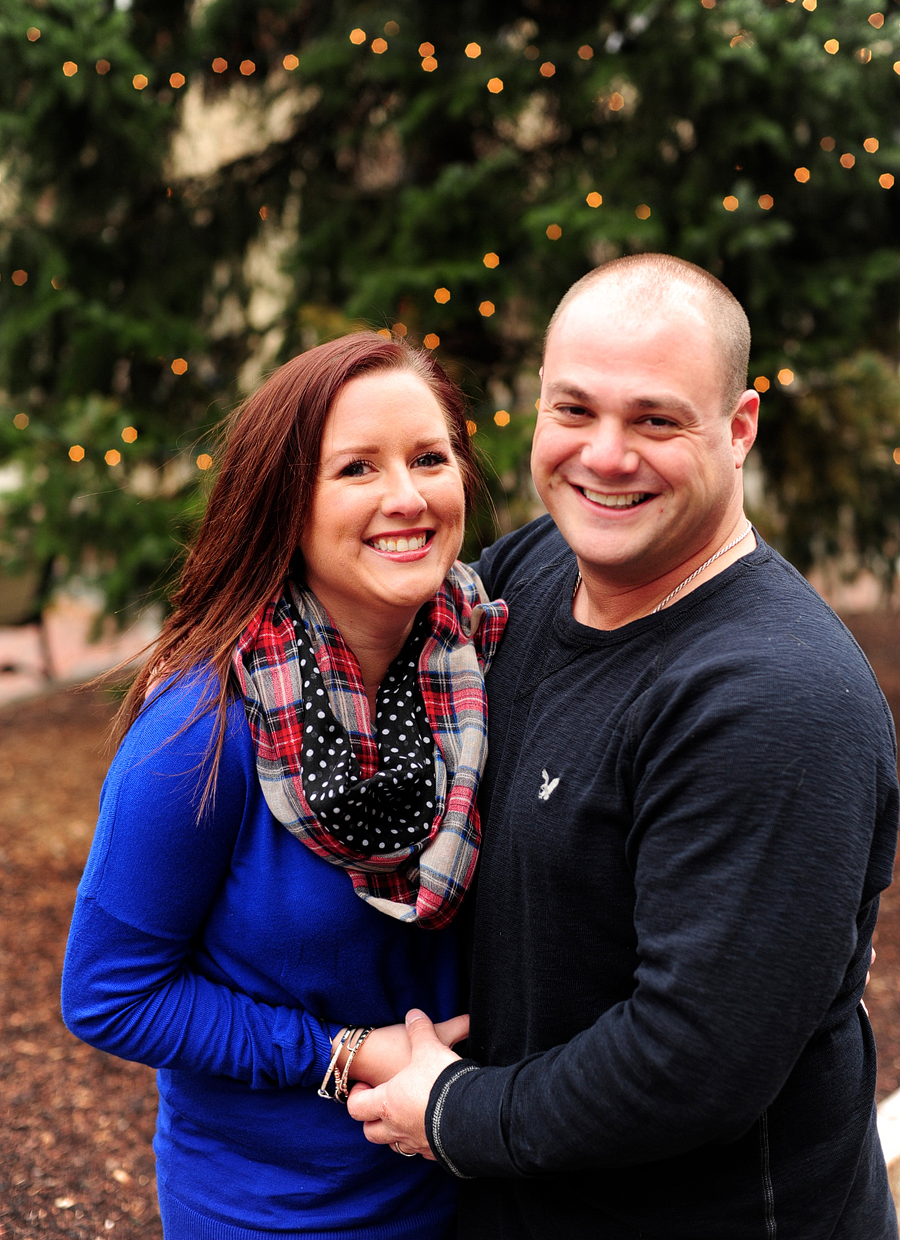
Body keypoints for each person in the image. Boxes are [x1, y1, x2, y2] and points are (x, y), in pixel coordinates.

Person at [348, 255, 900, 1239]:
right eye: (574, 411)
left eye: (656, 419)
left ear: (738, 430)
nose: (605, 456)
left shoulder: (773, 700)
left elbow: (692, 1061)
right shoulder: (536, 565)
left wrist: (450, 1112)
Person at [61, 332, 507, 1240]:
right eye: (356, 469)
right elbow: (109, 992)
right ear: (286, 505)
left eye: (430, 457)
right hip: (283, 1211)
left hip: (479, 1181)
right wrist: (343, 1054)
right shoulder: (206, 724)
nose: (408, 496)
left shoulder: (490, 661)